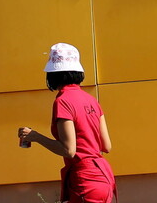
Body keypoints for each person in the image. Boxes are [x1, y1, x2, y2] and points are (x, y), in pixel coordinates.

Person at [18, 43, 115, 203]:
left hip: (85, 180)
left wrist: (35, 137)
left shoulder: (63, 101)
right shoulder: (91, 100)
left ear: (52, 74)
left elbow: (69, 150)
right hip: (103, 179)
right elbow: (107, 146)